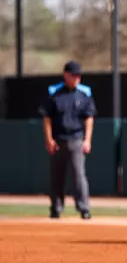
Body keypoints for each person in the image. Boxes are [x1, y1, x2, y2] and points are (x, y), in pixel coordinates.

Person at [38, 60, 96, 220]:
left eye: (78, 75)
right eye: (73, 75)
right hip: (58, 140)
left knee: (79, 176)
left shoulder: (84, 94)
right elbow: (47, 118)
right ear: (66, 75)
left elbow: (89, 118)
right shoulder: (55, 94)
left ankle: (84, 208)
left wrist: (87, 139)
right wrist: (49, 139)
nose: (77, 78)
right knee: (56, 177)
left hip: (76, 139)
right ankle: (56, 208)